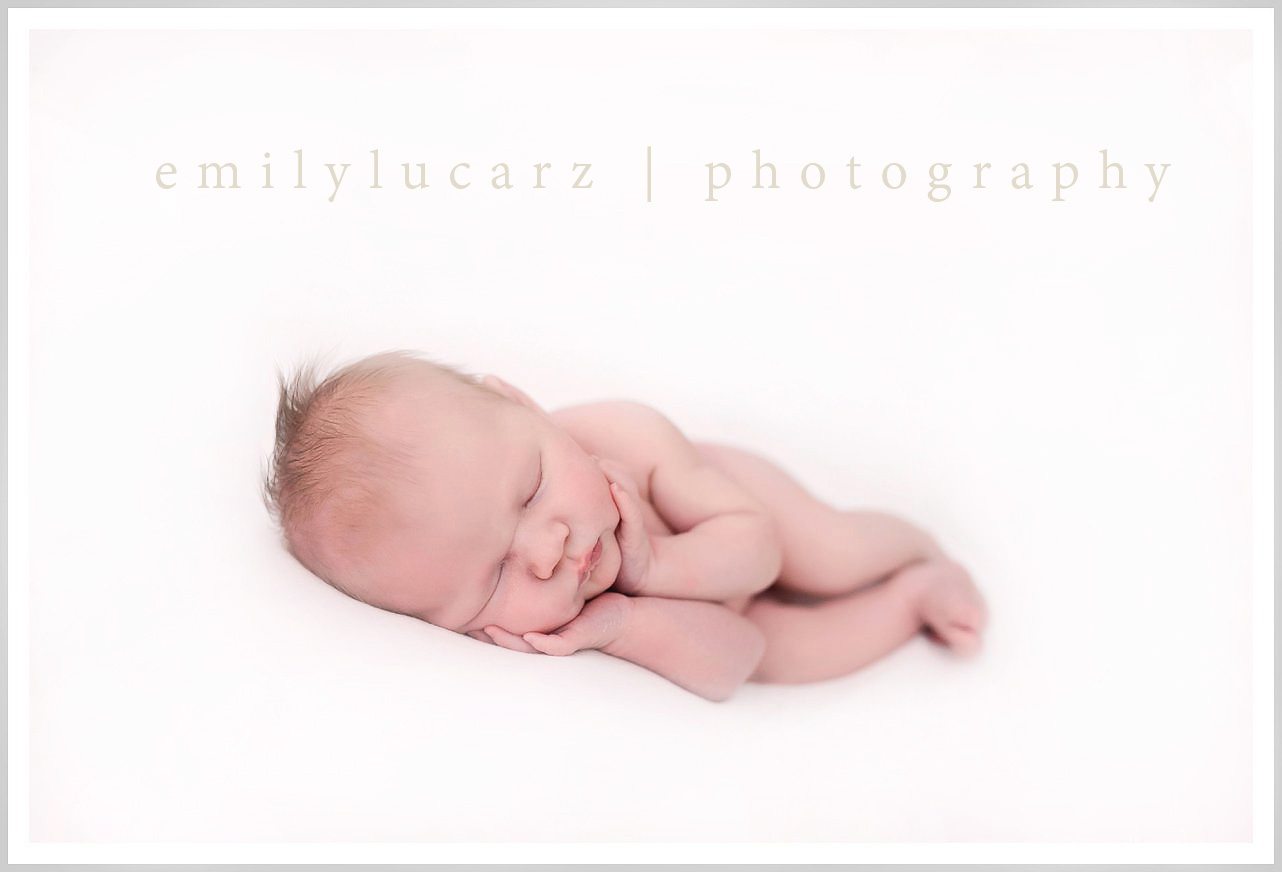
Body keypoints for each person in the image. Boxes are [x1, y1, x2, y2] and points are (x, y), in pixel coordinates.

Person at [263, 351, 986, 701]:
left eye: (529, 491)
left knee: (827, 555)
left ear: (523, 405)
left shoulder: (624, 438)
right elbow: (741, 653)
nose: (547, 553)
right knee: (787, 658)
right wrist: (624, 624)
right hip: (727, 615)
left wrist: (653, 571)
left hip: (731, 510)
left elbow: (759, 557)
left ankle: (911, 545)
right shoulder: (561, 627)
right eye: (489, 581)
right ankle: (915, 598)